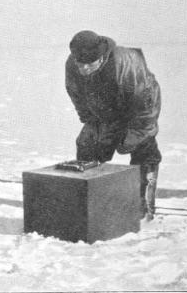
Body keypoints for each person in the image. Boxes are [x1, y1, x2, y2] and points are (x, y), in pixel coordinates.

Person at [65, 30, 161, 220]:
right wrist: (91, 122)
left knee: (145, 152)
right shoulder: (73, 64)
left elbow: (145, 102)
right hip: (105, 110)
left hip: (137, 109)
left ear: (101, 58)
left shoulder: (126, 63)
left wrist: (136, 134)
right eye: (80, 64)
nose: (83, 69)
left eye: (89, 64)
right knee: (87, 145)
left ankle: (144, 208)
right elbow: (77, 95)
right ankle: (92, 202)